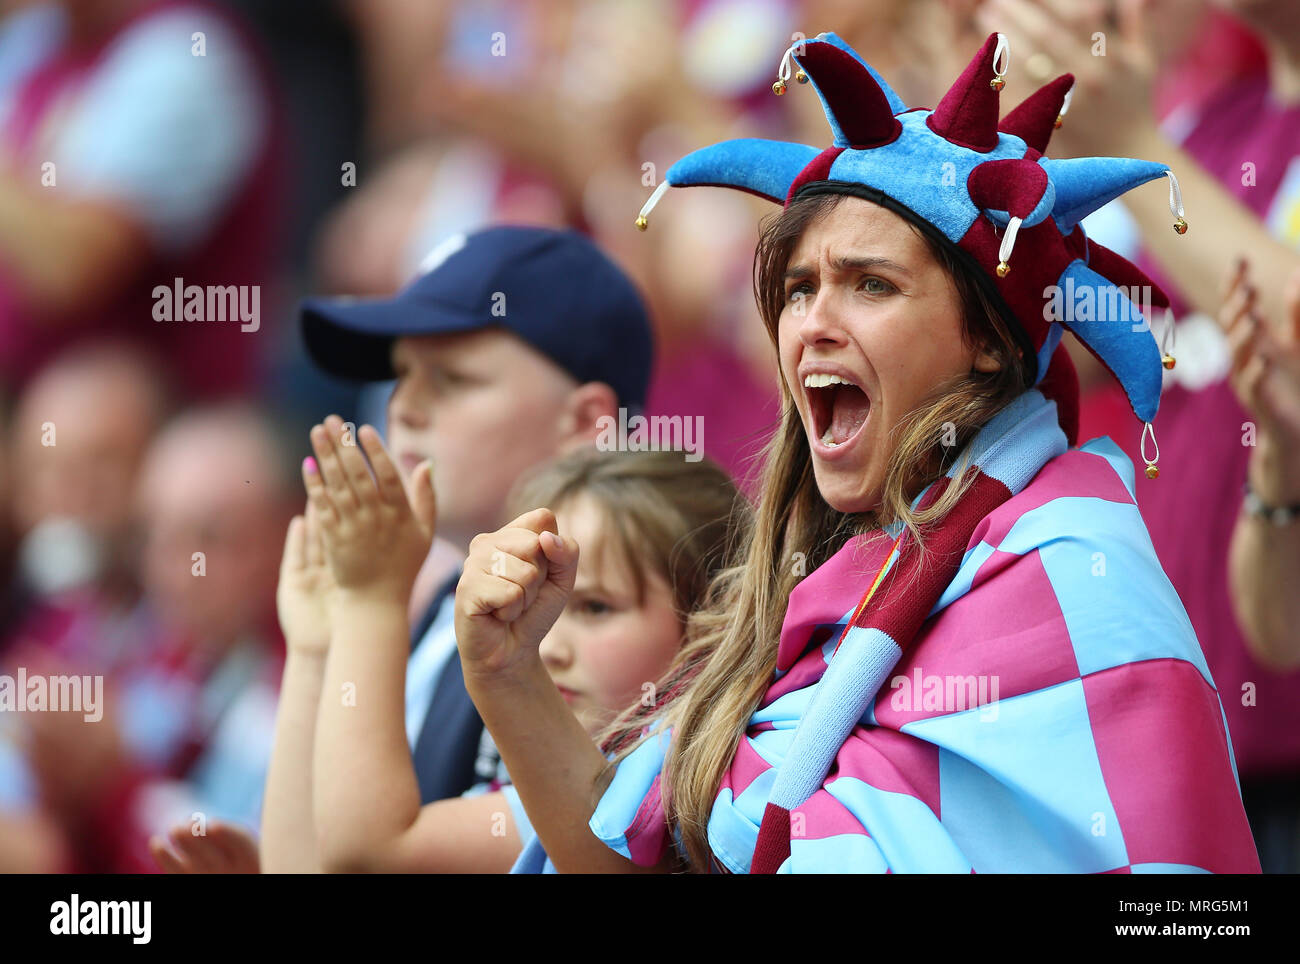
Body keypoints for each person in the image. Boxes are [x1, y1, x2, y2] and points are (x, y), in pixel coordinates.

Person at [434, 32, 1257, 873]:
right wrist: (505, 674)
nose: (814, 322)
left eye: (872, 284)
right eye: (799, 288)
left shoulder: (1069, 564)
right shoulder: (811, 592)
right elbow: (640, 862)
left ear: (985, 336)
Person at [208, 448, 738, 874]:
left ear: (710, 624)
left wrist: (372, 601)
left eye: (596, 607)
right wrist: (314, 649)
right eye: (532, 604)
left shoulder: (645, 791)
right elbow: (314, 866)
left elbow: (371, 850)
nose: (547, 643)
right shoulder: (528, 779)